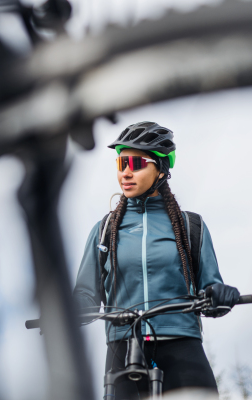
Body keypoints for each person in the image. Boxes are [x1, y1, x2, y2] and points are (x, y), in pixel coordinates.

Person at [72, 121, 240, 398]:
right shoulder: (105, 231)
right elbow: (86, 293)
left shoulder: (189, 226)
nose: (125, 172)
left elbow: (210, 286)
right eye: (121, 163)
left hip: (181, 341)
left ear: (161, 169)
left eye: (136, 163)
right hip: (123, 346)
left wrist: (218, 294)